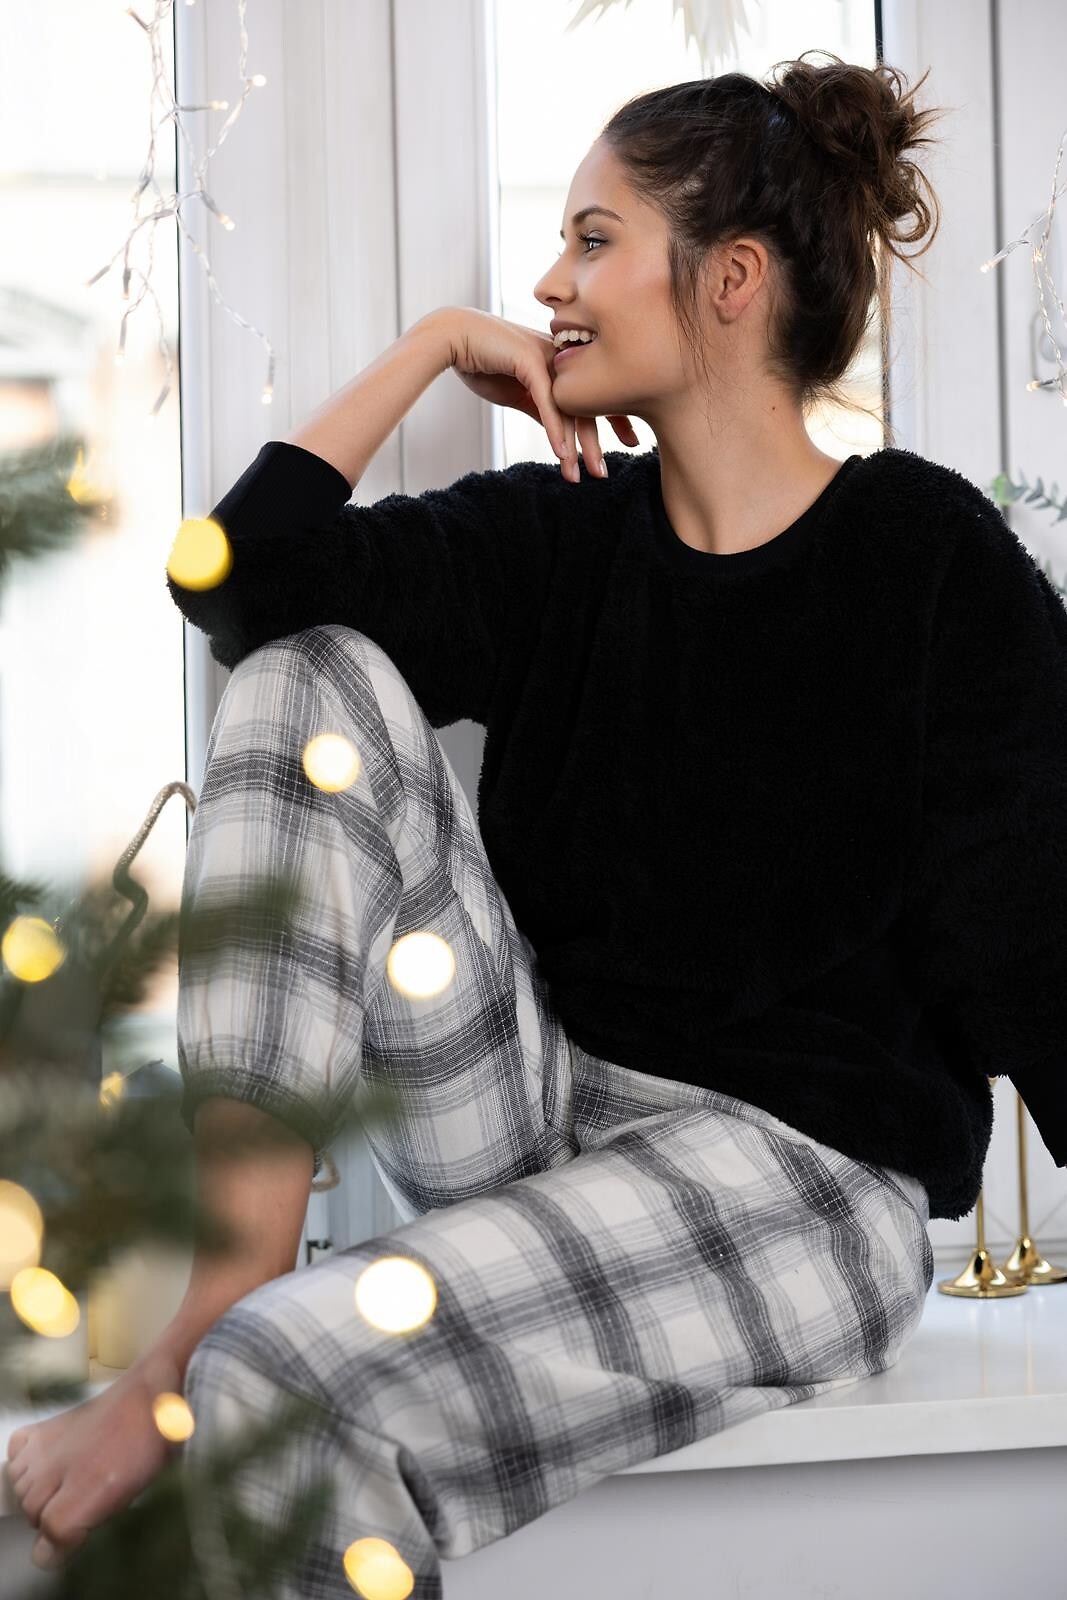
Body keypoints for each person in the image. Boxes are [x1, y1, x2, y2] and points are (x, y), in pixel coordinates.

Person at [8, 52, 1066, 1597]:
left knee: (289, 1384)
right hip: (541, 1116)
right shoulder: (560, 543)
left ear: (731, 280)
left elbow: (1038, 931)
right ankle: (211, 1303)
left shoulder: (921, 559)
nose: (550, 285)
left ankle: (227, 1364)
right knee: (307, 674)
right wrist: (433, 347)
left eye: (593, 238)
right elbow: (231, 578)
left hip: (801, 1187)